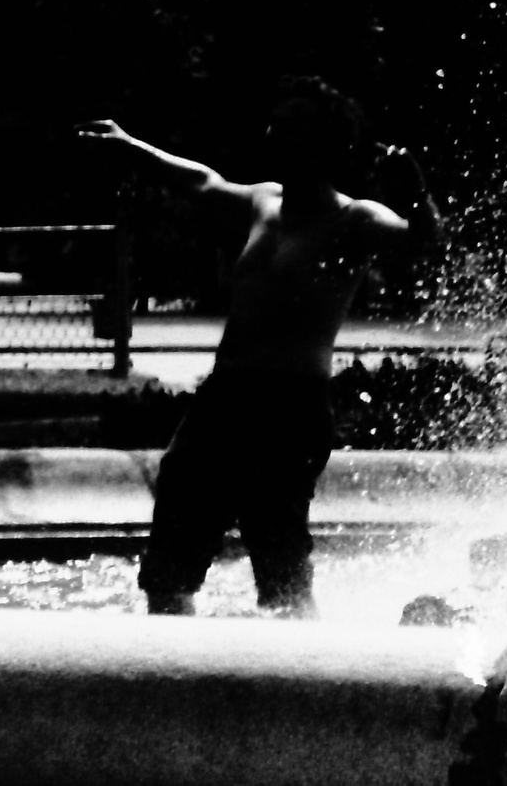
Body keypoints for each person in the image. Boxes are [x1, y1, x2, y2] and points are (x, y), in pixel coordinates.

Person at [78, 78, 440, 615]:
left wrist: (413, 185)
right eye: (276, 123)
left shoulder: (354, 220)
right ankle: (172, 679)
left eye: (291, 128)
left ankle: (301, 684)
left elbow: (425, 243)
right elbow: (201, 181)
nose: (273, 135)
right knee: (169, 561)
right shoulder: (263, 202)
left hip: (290, 408)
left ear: (323, 144)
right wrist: (132, 146)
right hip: (223, 400)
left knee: (280, 568)